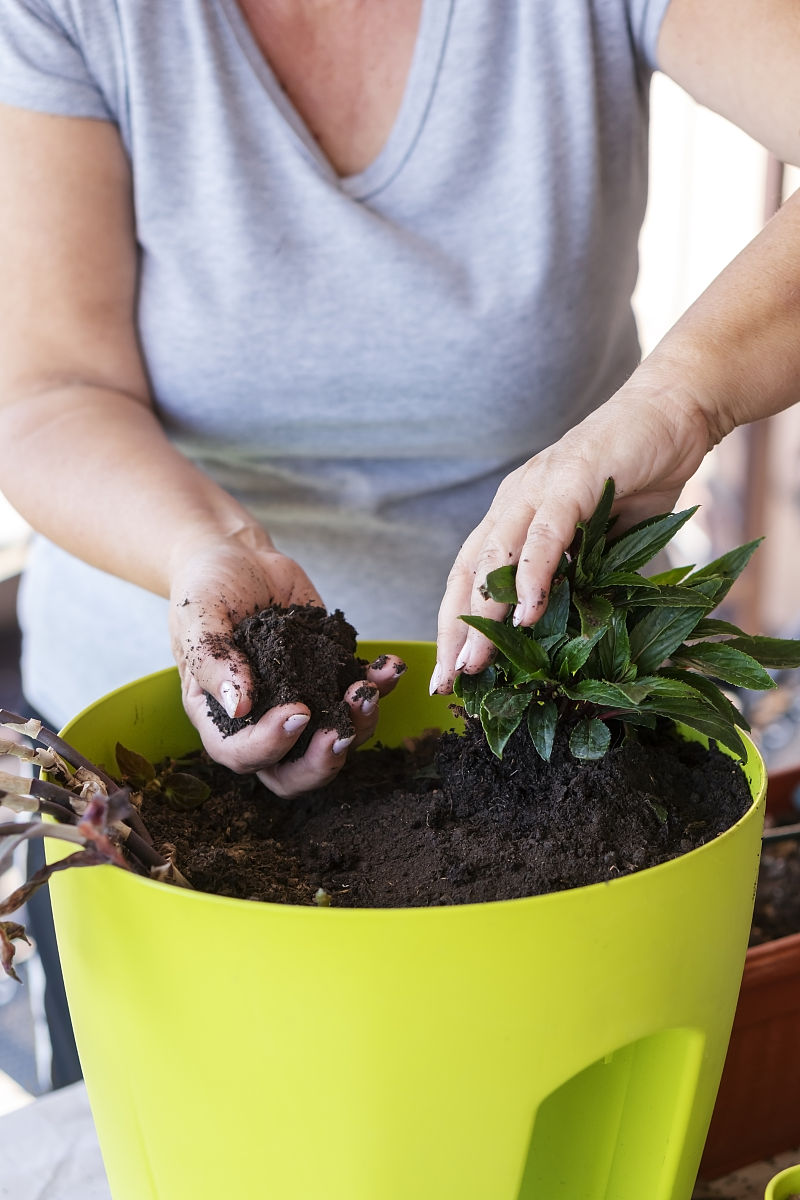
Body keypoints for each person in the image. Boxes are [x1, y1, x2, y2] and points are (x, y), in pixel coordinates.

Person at [0, 0, 798, 1084]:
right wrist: (203, 548)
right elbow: (48, 391)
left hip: (567, 740)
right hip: (152, 752)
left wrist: (678, 396)